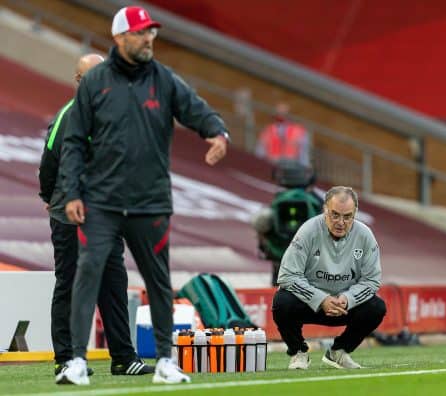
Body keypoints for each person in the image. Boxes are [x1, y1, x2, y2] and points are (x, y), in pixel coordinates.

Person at [55, 6, 230, 385]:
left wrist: (217, 133)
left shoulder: (164, 80)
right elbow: (71, 143)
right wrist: (70, 192)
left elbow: (196, 109)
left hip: (150, 202)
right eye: (139, 33)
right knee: (87, 273)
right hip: (101, 202)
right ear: (119, 38)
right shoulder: (95, 82)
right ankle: (76, 361)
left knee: (158, 280)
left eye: (151, 32)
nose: (148, 38)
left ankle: (166, 361)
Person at [39, 53, 153, 378]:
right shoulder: (70, 115)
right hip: (71, 215)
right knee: (72, 284)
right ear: (79, 82)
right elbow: (49, 162)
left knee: (113, 284)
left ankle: (123, 358)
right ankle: (67, 360)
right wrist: (50, 197)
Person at [272, 186, 386, 370]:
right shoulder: (308, 231)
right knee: (281, 301)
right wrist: (320, 299)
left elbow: (372, 281)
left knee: (376, 307)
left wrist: (348, 299)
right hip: (311, 304)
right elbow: (287, 276)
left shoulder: (365, 235)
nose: (340, 222)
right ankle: (298, 352)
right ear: (325, 209)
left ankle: (338, 352)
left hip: (343, 306)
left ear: (355, 213)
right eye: (335, 215)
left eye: (347, 216)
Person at [255, 102, 310, 166]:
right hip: (272, 163)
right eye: (279, 113)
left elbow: (303, 153)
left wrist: (305, 167)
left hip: (291, 165)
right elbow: (260, 150)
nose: (281, 116)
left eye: (283, 113)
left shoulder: (299, 131)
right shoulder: (268, 130)